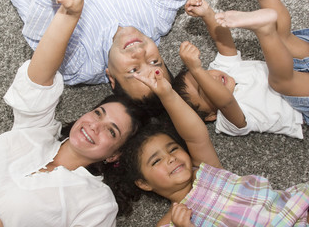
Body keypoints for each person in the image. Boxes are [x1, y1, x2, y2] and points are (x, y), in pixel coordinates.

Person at [0, 0, 146, 226]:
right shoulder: (36, 131)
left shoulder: (97, 202)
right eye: (98, 113)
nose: (95, 126)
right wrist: (70, 13)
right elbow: (39, 78)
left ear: (114, 154)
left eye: (111, 131)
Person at [111, 61, 309, 226]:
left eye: (173, 149)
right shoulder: (170, 222)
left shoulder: (205, 172)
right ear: (144, 183)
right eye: (156, 161)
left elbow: (194, 134)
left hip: (292, 210)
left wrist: (166, 93)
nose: (170, 158)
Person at [9, 0, 194, 113]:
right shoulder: (158, 20)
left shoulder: (80, 66)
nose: (139, 53)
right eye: (154, 61)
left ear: (111, 79)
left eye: (133, 70)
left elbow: (39, 35)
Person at [173, 0, 309, 139]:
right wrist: (197, 70)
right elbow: (226, 102)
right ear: (211, 116)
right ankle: (265, 31)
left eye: (204, 74)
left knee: (283, 40)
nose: (210, 78)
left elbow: (222, 41)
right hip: (303, 101)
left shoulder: (222, 69)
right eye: (202, 87)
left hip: (299, 63)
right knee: (281, 83)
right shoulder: (227, 120)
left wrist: (207, 14)